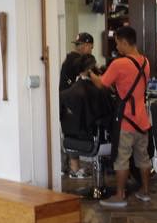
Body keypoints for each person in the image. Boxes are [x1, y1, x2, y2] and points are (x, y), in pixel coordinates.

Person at [90, 26, 150, 208]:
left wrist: (90, 73)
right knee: (143, 157)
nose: (116, 47)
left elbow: (101, 84)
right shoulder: (145, 62)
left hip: (126, 120)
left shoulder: (119, 64)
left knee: (121, 158)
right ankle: (145, 192)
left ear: (124, 42)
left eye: (117, 43)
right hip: (142, 119)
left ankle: (119, 195)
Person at [60, 33, 96, 178]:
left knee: (70, 132)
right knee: (74, 132)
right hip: (71, 103)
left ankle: (70, 167)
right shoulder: (77, 61)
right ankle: (74, 168)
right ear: (87, 45)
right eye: (91, 48)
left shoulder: (70, 59)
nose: (91, 50)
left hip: (66, 101)